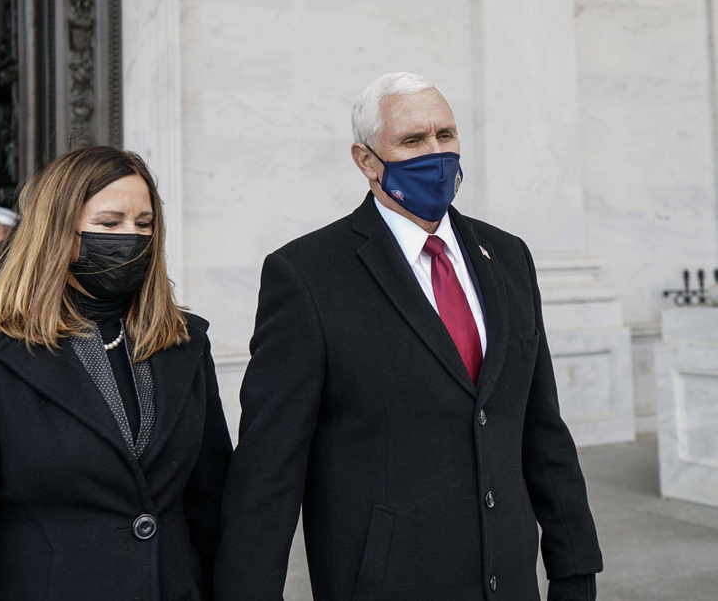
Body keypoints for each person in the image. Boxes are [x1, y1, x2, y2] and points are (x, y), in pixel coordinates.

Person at [215, 73, 603, 600]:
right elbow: (270, 467)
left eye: (446, 134)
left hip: (510, 582)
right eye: (412, 141)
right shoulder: (306, 275)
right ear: (366, 160)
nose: (436, 153)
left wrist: (575, 571)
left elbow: (542, 428)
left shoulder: (508, 256)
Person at [0, 146, 233, 600]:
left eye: (144, 224)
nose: (131, 237)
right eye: (110, 223)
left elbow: (211, 504)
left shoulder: (185, 341)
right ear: (59, 229)